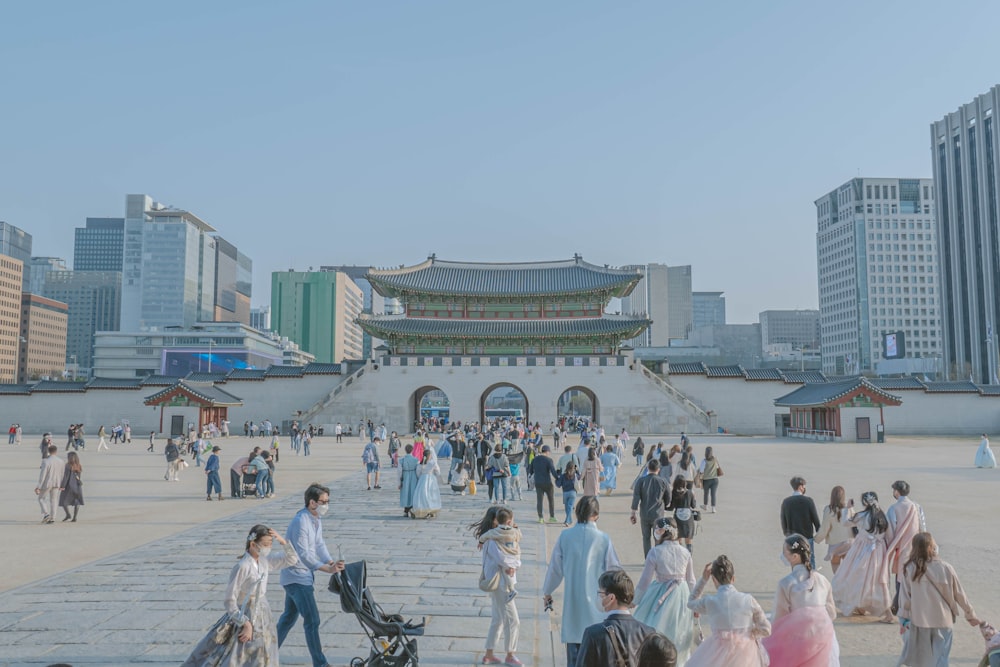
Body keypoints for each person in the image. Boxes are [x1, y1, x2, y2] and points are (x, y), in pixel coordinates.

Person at [183, 525, 298, 666]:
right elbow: (229, 600)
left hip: (263, 612)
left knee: (265, 651)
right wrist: (245, 623)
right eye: (265, 544)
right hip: (244, 612)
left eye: (271, 544)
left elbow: (292, 560)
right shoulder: (243, 566)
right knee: (237, 653)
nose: (269, 547)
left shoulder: (264, 561)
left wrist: (283, 542)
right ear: (253, 544)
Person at [542, 496, 621, 666]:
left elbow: (555, 569)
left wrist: (547, 591)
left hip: (573, 609)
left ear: (577, 513)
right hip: (598, 607)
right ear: (597, 515)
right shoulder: (603, 539)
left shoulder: (566, 536)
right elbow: (615, 572)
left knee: (574, 657)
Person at [276, 484, 345, 667]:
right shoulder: (301, 521)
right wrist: (326, 569)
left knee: (288, 618)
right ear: (312, 502)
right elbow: (304, 554)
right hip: (297, 577)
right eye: (323, 502)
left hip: (300, 576)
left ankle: (265, 652)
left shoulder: (315, 518)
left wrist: (331, 562)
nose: (326, 505)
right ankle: (320, 664)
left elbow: (319, 544)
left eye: (328, 501)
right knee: (312, 620)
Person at [897, 532, 980, 667]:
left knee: (922, 660)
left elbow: (905, 598)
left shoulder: (910, 568)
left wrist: (903, 619)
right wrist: (970, 615)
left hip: (920, 622)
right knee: (941, 659)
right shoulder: (946, 568)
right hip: (943, 620)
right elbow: (960, 594)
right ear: (932, 547)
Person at [761, 534, 839, 667]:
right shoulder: (823, 580)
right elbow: (832, 613)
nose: (783, 555)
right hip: (824, 638)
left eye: (785, 552)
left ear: (795, 556)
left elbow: (780, 618)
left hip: (799, 640)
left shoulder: (786, 583)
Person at [686, 555, 771, 667]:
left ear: (713, 579)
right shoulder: (748, 600)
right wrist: (749, 633)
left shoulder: (710, 601)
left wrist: (703, 580)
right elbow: (766, 629)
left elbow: (691, 602)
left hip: (716, 652)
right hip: (746, 654)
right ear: (733, 578)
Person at [633, 518, 697, 664]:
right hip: (682, 594)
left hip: (660, 592)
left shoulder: (655, 552)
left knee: (657, 627)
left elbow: (645, 581)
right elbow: (691, 580)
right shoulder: (685, 552)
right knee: (679, 631)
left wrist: (635, 600)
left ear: (659, 533)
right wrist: (695, 602)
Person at [831, 491, 893, 621]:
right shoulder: (882, 516)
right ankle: (881, 611)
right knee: (876, 579)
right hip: (878, 551)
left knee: (855, 576)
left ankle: (858, 605)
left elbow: (845, 523)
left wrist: (848, 508)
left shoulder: (862, 515)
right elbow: (889, 535)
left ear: (864, 503)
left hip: (861, 549)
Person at [472, 507, 522, 666]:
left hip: (499, 583)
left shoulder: (495, 537)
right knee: (513, 620)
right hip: (501, 585)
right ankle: (510, 655)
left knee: (498, 619)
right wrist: (516, 564)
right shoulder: (492, 541)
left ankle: (489, 654)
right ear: (495, 521)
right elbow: (504, 559)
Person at [576, 569, 656, 667]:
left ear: (611, 598)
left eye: (601, 594)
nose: (599, 598)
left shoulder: (593, 633)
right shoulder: (649, 632)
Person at [885, 480, 926, 604]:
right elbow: (923, 527)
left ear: (897, 492)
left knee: (900, 576)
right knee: (914, 574)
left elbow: (890, 531)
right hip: (916, 546)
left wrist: (890, 547)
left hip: (901, 548)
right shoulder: (917, 507)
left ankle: (899, 604)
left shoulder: (893, 508)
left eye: (894, 490)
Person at [477, 507, 522, 602]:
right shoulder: (511, 533)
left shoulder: (493, 534)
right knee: (502, 612)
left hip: (501, 581)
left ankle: (512, 590)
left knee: (506, 611)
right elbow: (519, 536)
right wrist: (514, 565)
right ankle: (512, 589)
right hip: (501, 580)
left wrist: (481, 541)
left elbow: (484, 536)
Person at [631, 459, 672, 558]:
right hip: (658, 514)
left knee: (646, 537)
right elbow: (668, 497)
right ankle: (657, 558)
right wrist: (665, 505)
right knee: (658, 537)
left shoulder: (641, 481)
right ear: (658, 469)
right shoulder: (663, 481)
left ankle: (648, 558)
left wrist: (633, 512)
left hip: (644, 513)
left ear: (648, 468)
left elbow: (636, 497)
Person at [779, 476, 821, 569]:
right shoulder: (808, 501)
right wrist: (820, 532)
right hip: (807, 538)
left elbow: (783, 521)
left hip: (793, 537)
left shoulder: (786, 502)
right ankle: (812, 581)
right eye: (804, 486)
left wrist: (787, 534)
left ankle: (797, 580)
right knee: (810, 559)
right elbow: (816, 520)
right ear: (801, 486)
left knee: (795, 561)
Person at [815, 485, 854, 573]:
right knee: (848, 571)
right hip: (849, 543)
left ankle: (838, 585)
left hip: (835, 544)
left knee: (836, 571)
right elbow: (855, 523)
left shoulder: (829, 510)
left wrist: (817, 539)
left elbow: (825, 528)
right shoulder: (849, 509)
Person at [528, 445, 560, 523]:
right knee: (551, 500)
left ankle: (540, 518)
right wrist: (558, 478)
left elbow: (530, 471)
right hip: (547, 482)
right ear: (547, 452)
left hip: (538, 482)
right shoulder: (549, 460)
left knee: (539, 500)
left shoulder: (535, 459)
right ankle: (552, 517)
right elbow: (553, 472)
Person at [665, 475, 697, 553]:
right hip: (688, 518)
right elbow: (693, 506)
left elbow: (671, 508)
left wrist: (663, 507)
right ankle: (689, 558)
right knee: (688, 540)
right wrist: (694, 497)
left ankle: (680, 556)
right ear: (684, 483)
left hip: (678, 518)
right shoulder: (689, 492)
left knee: (678, 539)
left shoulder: (674, 492)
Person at [36, 444, 65, 524]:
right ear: (56, 451)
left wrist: (38, 486)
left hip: (47, 483)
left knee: (41, 498)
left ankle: (46, 514)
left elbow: (43, 475)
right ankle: (53, 518)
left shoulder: (46, 461)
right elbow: (62, 474)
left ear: (49, 451)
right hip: (57, 483)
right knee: (54, 500)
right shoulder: (61, 461)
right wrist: (62, 484)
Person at [411, 448, 442, 519]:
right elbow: (438, 472)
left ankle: (424, 509)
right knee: (431, 494)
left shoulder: (420, 464)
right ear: (429, 456)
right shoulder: (433, 463)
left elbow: (418, 473)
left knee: (423, 495)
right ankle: (431, 509)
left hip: (422, 479)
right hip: (431, 479)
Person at [58, 451, 85, 522]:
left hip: (69, 486)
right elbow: (79, 477)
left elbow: (66, 477)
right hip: (77, 485)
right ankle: (75, 517)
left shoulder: (68, 466)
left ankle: (68, 514)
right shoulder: (79, 465)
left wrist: (62, 486)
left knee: (63, 501)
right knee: (77, 501)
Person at [697, 446, 722, 513]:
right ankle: (713, 508)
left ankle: (705, 506)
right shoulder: (715, 459)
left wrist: (700, 477)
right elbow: (717, 467)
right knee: (713, 494)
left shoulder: (704, 461)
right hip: (715, 479)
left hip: (707, 479)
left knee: (706, 493)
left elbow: (701, 471)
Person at [556, 461, 580, 527]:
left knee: (567, 508)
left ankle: (567, 520)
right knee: (569, 507)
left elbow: (558, 485)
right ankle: (569, 520)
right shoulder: (575, 475)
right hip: (573, 493)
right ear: (573, 468)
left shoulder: (563, 476)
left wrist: (557, 477)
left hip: (565, 493)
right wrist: (577, 470)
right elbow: (579, 477)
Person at [398, 444, 419, 517]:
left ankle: (406, 511)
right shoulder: (416, 459)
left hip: (405, 476)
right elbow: (418, 471)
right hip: (413, 476)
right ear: (412, 450)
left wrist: (399, 482)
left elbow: (399, 472)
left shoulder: (401, 460)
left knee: (406, 493)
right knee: (412, 493)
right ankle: (412, 508)